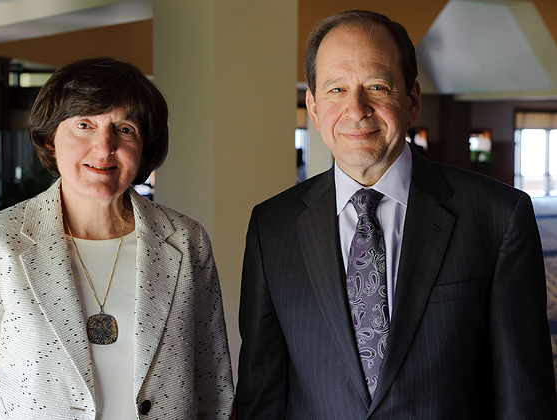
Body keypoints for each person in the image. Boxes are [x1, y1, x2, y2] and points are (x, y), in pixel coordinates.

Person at [236, 10, 557, 419]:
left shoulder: (498, 216)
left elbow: (524, 399)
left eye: (377, 86)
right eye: (336, 89)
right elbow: (260, 396)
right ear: (314, 109)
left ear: (412, 100)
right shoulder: (272, 227)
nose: (356, 108)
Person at [0, 57, 234, 419]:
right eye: (84, 125)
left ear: (144, 147)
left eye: (125, 129)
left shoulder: (186, 240)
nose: (104, 148)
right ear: (50, 140)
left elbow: (213, 385)